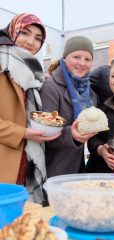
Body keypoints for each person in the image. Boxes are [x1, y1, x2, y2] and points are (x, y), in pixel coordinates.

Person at [0, 13, 60, 204]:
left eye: (38, 38)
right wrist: (24, 133)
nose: (30, 42)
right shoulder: (2, 65)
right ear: (12, 31)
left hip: (26, 161)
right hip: (6, 158)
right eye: (25, 33)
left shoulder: (33, 73)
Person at [40, 36, 96, 178]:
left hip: (77, 166)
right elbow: (44, 132)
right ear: (65, 58)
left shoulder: (90, 93)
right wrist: (70, 134)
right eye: (76, 57)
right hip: (54, 166)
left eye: (87, 59)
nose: (82, 63)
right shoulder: (51, 87)